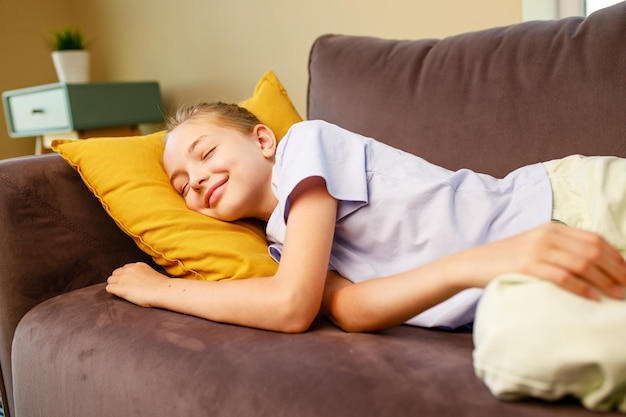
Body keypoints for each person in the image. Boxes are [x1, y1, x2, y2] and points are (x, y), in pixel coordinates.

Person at [105, 102, 626, 334]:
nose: (193, 180)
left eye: (204, 152)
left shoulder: (306, 145)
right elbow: (349, 309)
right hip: (514, 283)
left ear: (263, 140)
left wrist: (159, 291)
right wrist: (466, 268)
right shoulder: (282, 245)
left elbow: (290, 306)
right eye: (180, 186)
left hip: (566, 203)